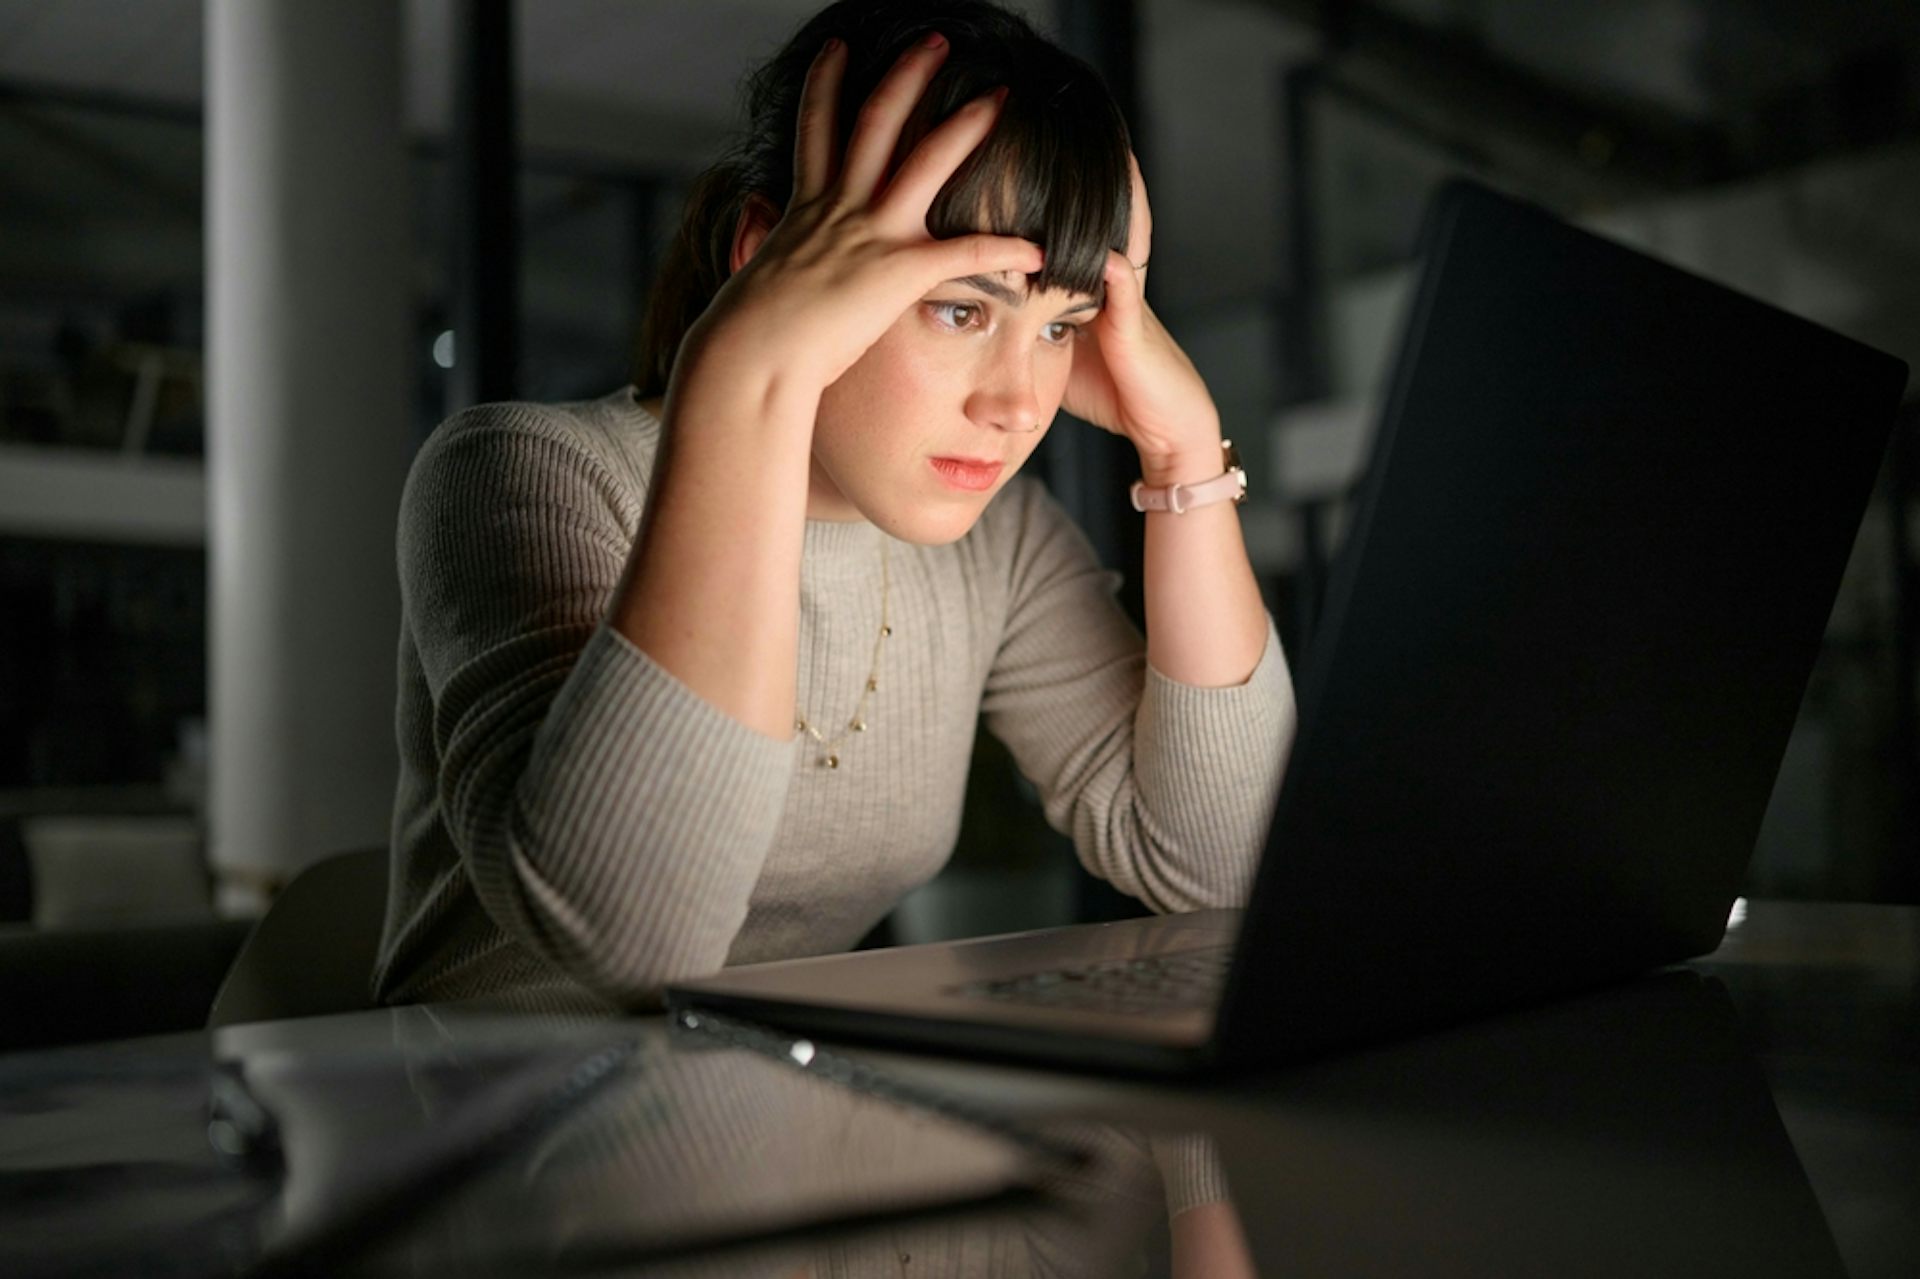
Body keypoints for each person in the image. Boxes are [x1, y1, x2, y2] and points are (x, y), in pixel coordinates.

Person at [373, 0, 1295, 1017]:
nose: (1020, 404)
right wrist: (745, 364)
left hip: (765, 1126)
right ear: (771, 259)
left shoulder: (1003, 545)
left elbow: (1223, 870)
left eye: (1060, 327)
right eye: (962, 308)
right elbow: (630, 938)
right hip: (475, 1128)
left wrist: (1186, 458)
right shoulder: (523, 470)